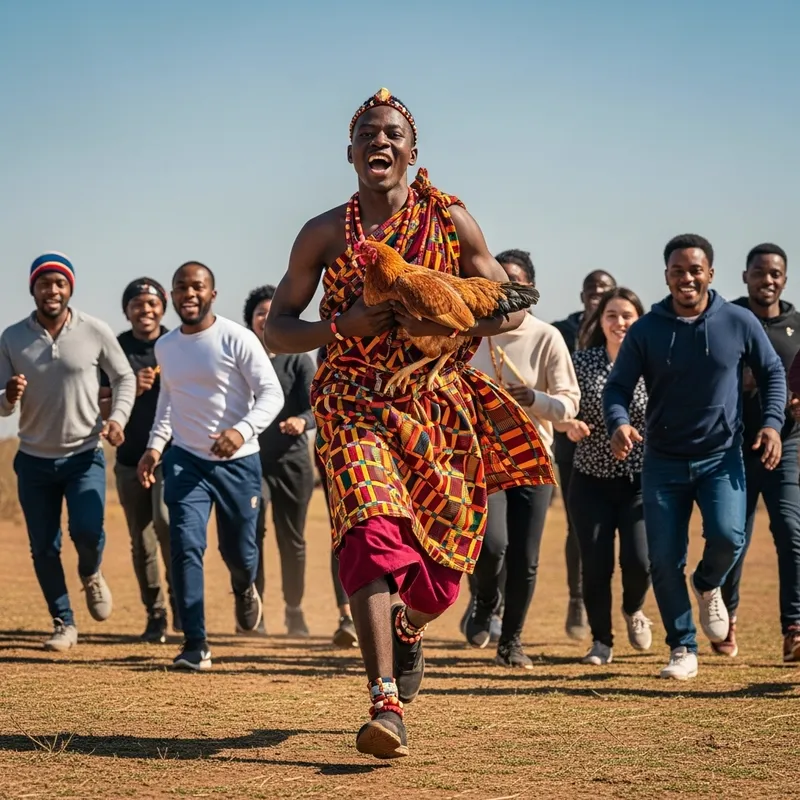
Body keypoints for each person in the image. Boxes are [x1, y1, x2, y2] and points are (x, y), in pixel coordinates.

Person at [263, 89, 554, 758]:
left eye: (392, 134)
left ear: (412, 153)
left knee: (447, 568)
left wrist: (446, 320)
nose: (380, 143)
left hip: (436, 401)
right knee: (369, 528)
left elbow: (508, 309)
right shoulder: (324, 232)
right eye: (368, 134)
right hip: (352, 399)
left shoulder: (452, 221)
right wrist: (340, 327)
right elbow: (278, 330)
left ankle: (411, 625)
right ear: (351, 153)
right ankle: (385, 702)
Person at [603, 234, 786, 680]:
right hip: (663, 461)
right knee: (663, 559)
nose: (687, 278)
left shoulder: (738, 321)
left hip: (721, 457)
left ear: (710, 273)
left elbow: (773, 372)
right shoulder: (647, 329)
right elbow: (618, 387)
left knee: (729, 537)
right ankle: (682, 647)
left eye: (695, 269)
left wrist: (772, 423)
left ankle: (707, 585)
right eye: (678, 270)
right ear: (666, 275)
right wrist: (619, 421)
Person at [136, 262, 284, 671]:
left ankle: (244, 587)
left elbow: (271, 394)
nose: (189, 293)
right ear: (173, 294)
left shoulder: (237, 338)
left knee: (239, 552)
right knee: (185, 545)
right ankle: (195, 644)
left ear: (212, 294)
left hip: (238, 462)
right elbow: (169, 401)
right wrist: (154, 447)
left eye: (197, 286)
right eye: (181, 287)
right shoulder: (166, 346)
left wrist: (241, 431)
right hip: (186, 461)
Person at [0, 252, 136, 651]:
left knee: (88, 532)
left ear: (70, 288)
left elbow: (123, 376)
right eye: (44, 283)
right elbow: (0, 401)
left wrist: (119, 420)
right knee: (43, 545)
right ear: (33, 289)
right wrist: (7, 397)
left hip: (84, 454)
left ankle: (91, 573)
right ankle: (64, 622)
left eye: (60, 283)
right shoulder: (12, 337)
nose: (52, 290)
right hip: (34, 459)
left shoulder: (94, 330)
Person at [467, 249, 580, 667]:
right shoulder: (471, 334)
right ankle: (482, 599)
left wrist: (533, 399)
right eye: (499, 282)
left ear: (528, 291)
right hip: (481, 460)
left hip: (534, 459)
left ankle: (511, 641)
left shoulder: (547, 336)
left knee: (524, 559)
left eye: (513, 282)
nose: (505, 290)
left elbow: (569, 404)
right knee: (491, 545)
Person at [557, 288, 652, 666]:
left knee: (640, 561)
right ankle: (601, 641)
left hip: (639, 481)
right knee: (595, 564)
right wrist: (570, 424)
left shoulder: (652, 362)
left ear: (639, 319)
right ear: (601, 322)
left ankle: (634, 609)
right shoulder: (583, 362)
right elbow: (564, 404)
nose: (620, 322)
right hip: (590, 479)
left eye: (627, 315)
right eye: (611, 315)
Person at [723, 244, 800, 663]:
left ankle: (794, 628)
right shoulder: (730, 319)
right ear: (745, 276)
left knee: (791, 531)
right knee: (734, 539)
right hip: (733, 447)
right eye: (759, 273)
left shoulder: (797, 326)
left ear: (784, 279)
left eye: (775, 274)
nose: (767, 280)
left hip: (786, 445)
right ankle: (727, 619)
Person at [100, 278, 178, 643]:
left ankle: (181, 602)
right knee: (141, 539)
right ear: (126, 309)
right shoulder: (116, 348)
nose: (145, 310)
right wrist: (128, 385)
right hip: (130, 458)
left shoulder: (176, 344)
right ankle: (156, 614)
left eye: (151, 304)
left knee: (167, 525)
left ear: (163, 307)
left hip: (171, 455)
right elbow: (96, 398)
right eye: (137, 304)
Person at [241, 284, 316, 638]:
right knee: (251, 534)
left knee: (292, 540)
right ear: (251, 320)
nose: (264, 317)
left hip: (293, 462)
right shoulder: (241, 357)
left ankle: (294, 611)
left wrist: (302, 420)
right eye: (259, 312)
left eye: (271, 311)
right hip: (251, 460)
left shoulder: (299, 357)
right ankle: (253, 615)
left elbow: (315, 404)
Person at [552, 270, 616, 640]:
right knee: (578, 525)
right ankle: (577, 600)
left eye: (604, 291)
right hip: (571, 442)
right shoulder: (564, 331)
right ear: (582, 295)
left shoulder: (623, 326)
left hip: (620, 442)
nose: (597, 296)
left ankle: (630, 605)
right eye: (591, 291)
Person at [314, 345, 359, 649]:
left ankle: (395, 613)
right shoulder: (331, 343)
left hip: (394, 445)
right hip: (335, 450)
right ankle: (347, 616)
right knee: (344, 534)